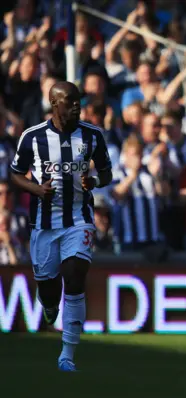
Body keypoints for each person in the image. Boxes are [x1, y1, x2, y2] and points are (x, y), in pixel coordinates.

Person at [10, 81, 113, 372]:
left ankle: (67, 354)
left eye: (79, 101)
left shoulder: (92, 135)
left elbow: (106, 172)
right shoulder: (33, 137)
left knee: (75, 273)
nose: (77, 106)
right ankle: (49, 302)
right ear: (55, 104)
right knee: (49, 288)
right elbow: (15, 174)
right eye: (70, 101)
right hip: (44, 223)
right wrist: (35, 189)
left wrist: (95, 182)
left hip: (79, 219)